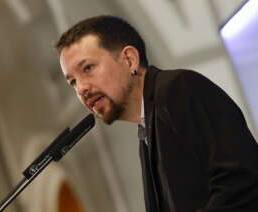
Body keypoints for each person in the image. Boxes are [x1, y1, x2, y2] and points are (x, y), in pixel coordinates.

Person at [54, 15, 258, 212]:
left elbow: (242, 181)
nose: (81, 89)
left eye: (88, 68)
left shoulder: (178, 90)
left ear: (129, 59)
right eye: (72, 82)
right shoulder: (147, 128)